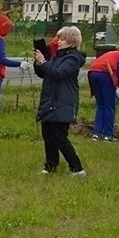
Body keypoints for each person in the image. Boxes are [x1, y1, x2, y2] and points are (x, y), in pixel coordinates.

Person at [32, 26, 87, 176]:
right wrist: (38, 63)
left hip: (63, 101)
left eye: (62, 39)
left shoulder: (73, 58)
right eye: (59, 38)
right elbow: (45, 73)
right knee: (48, 135)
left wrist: (44, 62)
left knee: (59, 136)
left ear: (72, 41)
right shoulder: (58, 56)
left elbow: (58, 73)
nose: (58, 42)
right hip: (50, 100)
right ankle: (50, 166)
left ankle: (77, 168)